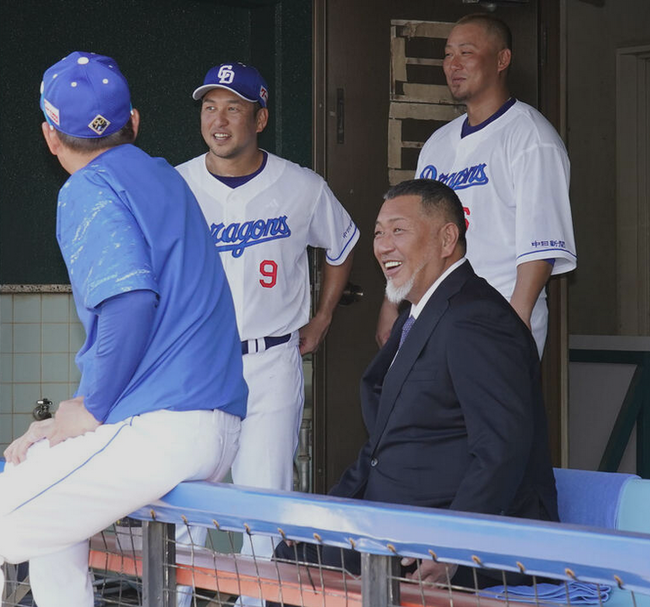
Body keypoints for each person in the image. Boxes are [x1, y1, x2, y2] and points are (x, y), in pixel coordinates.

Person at [0, 51, 247, 607]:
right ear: (133, 122)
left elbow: (130, 303)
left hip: (167, 425)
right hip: (206, 419)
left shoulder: (86, 188)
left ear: (49, 136)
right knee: (47, 508)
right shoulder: (164, 176)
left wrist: (88, 410)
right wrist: (77, 414)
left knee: (9, 514)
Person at [270, 179, 558, 600]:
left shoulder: (476, 317)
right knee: (295, 548)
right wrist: (325, 515)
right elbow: (379, 448)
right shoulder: (420, 312)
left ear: (446, 238)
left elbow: (501, 448)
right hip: (399, 526)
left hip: (456, 540)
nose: (384, 246)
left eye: (399, 231)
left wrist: (454, 545)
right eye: (379, 233)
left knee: (306, 564)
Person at [175, 61, 359, 591]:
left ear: (261, 118)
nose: (219, 119)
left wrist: (322, 317)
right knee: (187, 506)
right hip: (197, 361)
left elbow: (342, 244)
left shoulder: (301, 186)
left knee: (264, 504)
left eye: (233, 107)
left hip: (270, 359)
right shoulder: (177, 184)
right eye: (210, 106)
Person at [377, 14, 577, 358]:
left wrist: (517, 319)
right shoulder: (437, 144)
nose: (453, 64)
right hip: (433, 313)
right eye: (447, 54)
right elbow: (415, 231)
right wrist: (391, 302)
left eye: (466, 53)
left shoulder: (530, 136)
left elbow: (540, 244)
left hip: (496, 309)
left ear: (502, 59)